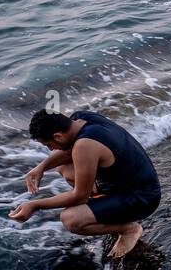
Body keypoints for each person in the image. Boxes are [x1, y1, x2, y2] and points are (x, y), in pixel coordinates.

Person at [10, 109, 161, 259]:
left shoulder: (84, 146)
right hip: (133, 184)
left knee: (71, 219)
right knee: (64, 168)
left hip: (143, 199)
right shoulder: (81, 118)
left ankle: (129, 229)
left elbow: (79, 197)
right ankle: (104, 211)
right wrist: (41, 168)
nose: (51, 149)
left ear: (57, 136)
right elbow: (69, 151)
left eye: (49, 144)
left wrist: (35, 205)